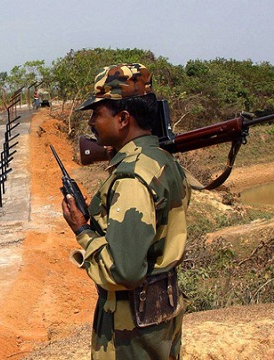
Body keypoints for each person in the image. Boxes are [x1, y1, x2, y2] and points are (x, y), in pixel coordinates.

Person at [61, 63, 191, 360]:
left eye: (97, 113)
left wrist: (82, 231)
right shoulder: (161, 159)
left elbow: (125, 271)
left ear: (123, 119)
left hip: (130, 332)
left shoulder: (132, 178)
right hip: (159, 317)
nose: (91, 122)